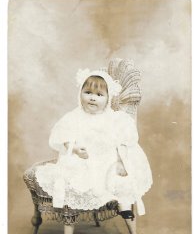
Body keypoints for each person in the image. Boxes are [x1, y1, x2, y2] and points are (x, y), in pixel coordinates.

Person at [35, 68, 152, 219]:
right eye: (88, 92)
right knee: (75, 175)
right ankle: (83, 201)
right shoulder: (74, 116)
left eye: (99, 95)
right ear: (80, 94)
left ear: (108, 98)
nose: (92, 98)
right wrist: (75, 148)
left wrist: (120, 161)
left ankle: (125, 206)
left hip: (108, 158)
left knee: (120, 177)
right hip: (83, 158)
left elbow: (123, 141)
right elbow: (61, 134)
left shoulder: (114, 119)